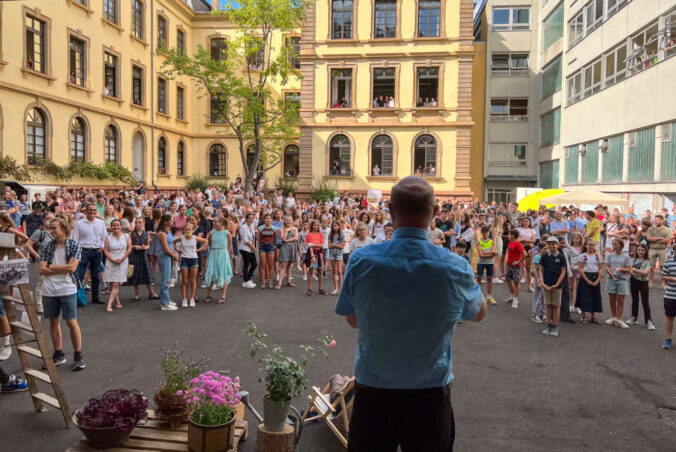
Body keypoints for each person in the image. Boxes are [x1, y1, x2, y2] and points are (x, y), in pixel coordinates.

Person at [335, 176, 486, 451]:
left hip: (375, 391)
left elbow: (352, 319)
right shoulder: (455, 266)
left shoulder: (362, 260)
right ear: (435, 213)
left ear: (391, 211)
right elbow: (479, 313)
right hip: (430, 395)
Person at [39, 216, 85, 370]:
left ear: (64, 229)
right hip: (49, 289)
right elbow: (41, 269)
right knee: (53, 321)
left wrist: (51, 268)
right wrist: (61, 268)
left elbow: (72, 268)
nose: (51, 231)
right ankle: (59, 354)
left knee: (71, 321)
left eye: (54, 228)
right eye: (50, 228)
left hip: (67, 287)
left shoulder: (74, 245)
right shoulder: (47, 246)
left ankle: (78, 356)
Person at [72, 203, 107, 305]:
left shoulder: (101, 223)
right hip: (83, 251)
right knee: (80, 275)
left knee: (95, 276)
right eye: (90, 210)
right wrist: (77, 252)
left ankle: (95, 297)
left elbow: (104, 237)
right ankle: (79, 298)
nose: (92, 212)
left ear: (96, 212)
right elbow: (75, 239)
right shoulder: (79, 223)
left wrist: (102, 247)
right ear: (86, 211)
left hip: (96, 251)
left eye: (94, 210)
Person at [539, 237, 567, 337]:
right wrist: (542, 282)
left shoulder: (561, 257)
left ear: (557, 245)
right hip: (546, 284)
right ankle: (549, 325)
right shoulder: (544, 256)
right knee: (548, 305)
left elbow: (563, 271)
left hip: (557, 286)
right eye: (549, 244)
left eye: (554, 244)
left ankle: (555, 326)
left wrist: (557, 284)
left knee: (556, 306)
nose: (551, 245)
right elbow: (541, 270)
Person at [175, 223, 208, 307]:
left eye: (189, 229)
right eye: (186, 229)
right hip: (184, 259)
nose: (188, 231)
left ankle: (192, 298)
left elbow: (205, 241)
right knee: (184, 281)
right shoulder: (181, 238)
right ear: (184, 230)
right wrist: (177, 250)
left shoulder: (195, 238)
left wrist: (200, 249)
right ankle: (184, 299)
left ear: (193, 230)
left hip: (194, 259)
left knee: (193, 281)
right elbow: (173, 242)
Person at [102, 219, 131, 313]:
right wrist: (112, 259)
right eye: (114, 225)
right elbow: (105, 250)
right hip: (111, 260)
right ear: (111, 227)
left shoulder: (126, 236)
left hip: (123, 261)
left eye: (118, 225)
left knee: (116, 283)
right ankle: (117, 301)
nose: (116, 227)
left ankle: (109, 304)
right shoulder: (108, 237)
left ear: (121, 226)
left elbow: (129, 248)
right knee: (112, 283)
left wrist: (122, 258)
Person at [203, 216, 234, 304]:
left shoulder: (227, 233)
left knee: (223, 274)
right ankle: (208, 295)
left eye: (216, 221)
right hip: (213, 254)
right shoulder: (211, 233)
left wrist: (228, 256)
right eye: (214, 221)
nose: (214, 223)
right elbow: (208, 244)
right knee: (210, 274)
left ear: (222, 223)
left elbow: (230, 245)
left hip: (223, 255)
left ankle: (223, 296)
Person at [127, 217, 157, 301]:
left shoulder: (146, 233)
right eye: (136, 223)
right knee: (135, 274)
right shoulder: (131, 234)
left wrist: (145, 247)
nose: (138, 224)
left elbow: (148, 244)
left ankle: (151, 293)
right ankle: (136, 294)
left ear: (143, 223)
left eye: (140, 223)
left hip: (143, 256)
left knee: (147, 273)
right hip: (134, 256)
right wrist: (134, 246)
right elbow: (128, 246)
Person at [604, 238, 631, 328]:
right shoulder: (610, 255)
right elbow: (607, 266)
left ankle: (620, 319)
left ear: (621, 245)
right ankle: (614, 317)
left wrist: (621, 269)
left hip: (622, 279)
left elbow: (629, 269)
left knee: (620, 300)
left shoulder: (626, 257)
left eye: (616, 244)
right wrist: (611, 274)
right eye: (613, 244)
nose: (614, 246)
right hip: (611, 279)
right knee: (612, 298)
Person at [577, 239, 604, 324]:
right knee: (584, 297)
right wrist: (587, 280)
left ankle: (593, 316)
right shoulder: (582, 256)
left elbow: (600, 270)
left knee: (595, 297)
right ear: (586, 246)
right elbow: (581, 270)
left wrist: (598, 280)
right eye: (589, 245)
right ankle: (583, 316)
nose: (591, 246)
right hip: (586, 277)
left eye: (592, 245)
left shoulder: (598, 256)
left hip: (595, 277)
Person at [627, 243, 653, 329]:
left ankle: (648, 321)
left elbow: (646, 272)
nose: (640, 252)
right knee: (635, 300)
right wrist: (638, 274)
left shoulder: (648, 261)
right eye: (639, 250)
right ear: (636, 250)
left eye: (642, 250)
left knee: (645, 302)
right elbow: (629, 270)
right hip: (634, 281)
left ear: (646, 251)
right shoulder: (632, 260)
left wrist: (634, 270)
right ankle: (634, 317)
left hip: (643, 283)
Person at [156, 214, 179, 311]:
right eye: (171, 219)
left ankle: (166, 299)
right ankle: (164, 303)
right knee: (165, 280)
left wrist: (173, 254)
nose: (173, 221)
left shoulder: (168, 231)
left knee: (167, 279)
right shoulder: (162, 233)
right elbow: (165, 248)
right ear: (166, 221)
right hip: (164, 257)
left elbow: (171, 245)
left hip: (168, 257)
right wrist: (174, 255)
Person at [646, 215, 671, 288]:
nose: (655, 221)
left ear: (662, 220)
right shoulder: (651, 228)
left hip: (663, 249)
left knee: (662, 267)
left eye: (657, 220)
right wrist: (660, 238)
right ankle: (650, 282)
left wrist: (655, 239)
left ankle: (663, 283)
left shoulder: (667, 229)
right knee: (651, 266)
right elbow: (649, 238)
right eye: (655, 219)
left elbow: (667, 240)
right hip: (652, 249)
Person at [505, 229, 527, 308]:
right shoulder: (511, 242)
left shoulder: (518, 243)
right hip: (509, 264)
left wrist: (518, 262)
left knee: (516, 282)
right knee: (508, 279)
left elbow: (525, 254)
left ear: (513, 235)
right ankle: (513, 295)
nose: (508, 236)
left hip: (516, 266)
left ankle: (515, 299)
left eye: (509, 234)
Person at [660, 244, 676, 350]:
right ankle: (668, 339)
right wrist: (673, 279)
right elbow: (663, 276)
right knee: (670, 318)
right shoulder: (668, 262)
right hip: (670, 295)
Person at [305, 219, 327, 296]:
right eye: (314, 225)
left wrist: (313, 245)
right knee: (311, 272)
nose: (315, 226)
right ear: (312, 226)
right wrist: (312, 255)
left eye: (317, 225)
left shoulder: (320, 234)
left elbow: (321, 245)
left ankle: (321, 288)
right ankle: (309, 289)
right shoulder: (309, 234)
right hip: (312, 253)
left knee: (320, 272)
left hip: (320, 253)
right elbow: (309, 246)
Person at [475, 225, 496, 304]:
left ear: (488, 232)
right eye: (483, 232)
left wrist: (484, 254)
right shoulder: (478, 241)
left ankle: (489, 296)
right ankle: (476, 297)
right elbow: (480, 253)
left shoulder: (492, 241)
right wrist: (491, 253)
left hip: (490, 263)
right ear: (481, 233)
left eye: (487, 232)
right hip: (481, 262)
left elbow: (493, 252)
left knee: (489, 279)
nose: (485, 234)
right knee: (478, 279)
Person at [277, 215, 298, 290]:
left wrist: (287, 240)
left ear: (292, 220)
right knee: (284, 265)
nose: (288, 222)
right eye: (286, 220)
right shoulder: (282, 229)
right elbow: (283, 238)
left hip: (292, 247)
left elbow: (296, 237)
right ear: (284, 221)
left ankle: (288, 281)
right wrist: (286, 231)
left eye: (289, 220)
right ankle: (279, 283)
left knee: (289, 265)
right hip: (285, 248)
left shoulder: (295, 228)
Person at [257, 213, 277, 289]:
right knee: (262, 264)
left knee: (271, 265)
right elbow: (258, 238)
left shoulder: (274, 228)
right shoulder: (260, 228)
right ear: (264, 220)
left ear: (271, 220)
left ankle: (270, 282)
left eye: (269, 218)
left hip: (271, 246)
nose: (268, 219)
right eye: (266, 218)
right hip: (262, 246)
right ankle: (263, 282)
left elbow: (275, 238)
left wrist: (274, 245)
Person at [238, 213, 258, 288]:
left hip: (250, 248)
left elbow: (252, 238)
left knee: (254, 264)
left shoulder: (252, 226)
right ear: (246, 219)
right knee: (246, 264)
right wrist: (253, 247)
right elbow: (245, 240)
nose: (251, 220)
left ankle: (247, 279)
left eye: (252, 218)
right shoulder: (243, 227)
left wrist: (253, 248)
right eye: (249, 218)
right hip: (244, 248)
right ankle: (246, 281)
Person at [327, 220, 346, 295]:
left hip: (339, 254)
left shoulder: (342, 234)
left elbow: (342, 247)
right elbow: (329, 246)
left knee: (339, 271)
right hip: (332, 254)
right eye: (333, 226)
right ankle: (335, 288)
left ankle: (341, 288)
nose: (334, 227)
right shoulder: (330, 235)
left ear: (339, 226)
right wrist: (337, 245)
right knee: (334, 272)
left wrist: (334, 245)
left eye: (336, 225)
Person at [532, 242, 547, 323]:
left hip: (544, 279)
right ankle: (534, 315)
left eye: (547, 249)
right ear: (539, 249)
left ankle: (542, 314)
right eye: (544, 249)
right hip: (539, 279)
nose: (546, 250)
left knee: (543, 298)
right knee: (537, 297)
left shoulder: (545, 257)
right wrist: (537, 281)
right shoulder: (537, 257)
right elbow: (534, 269)